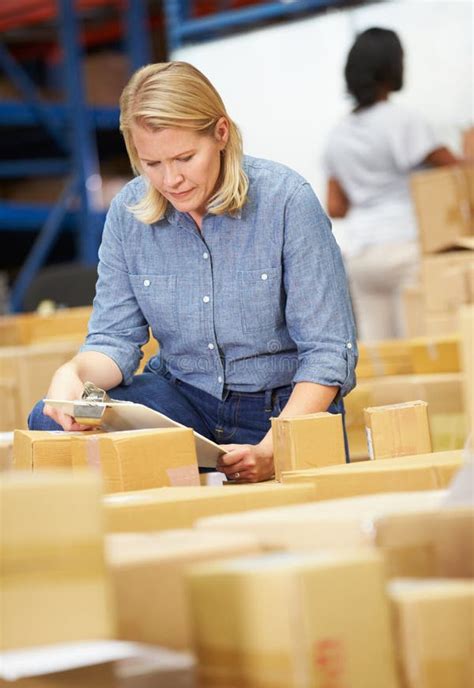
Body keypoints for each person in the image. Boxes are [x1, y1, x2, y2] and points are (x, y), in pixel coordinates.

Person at [29, 61, 357, 483]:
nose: (172, 179)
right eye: (152, 163)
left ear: (221, 133)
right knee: (50, 419)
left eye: (185, 157)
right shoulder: (128, 216)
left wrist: (278, 444)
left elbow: (328, 353)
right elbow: (114, 340)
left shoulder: (286, 201)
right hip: (185, 401)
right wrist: (71, 374)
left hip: (283, 407)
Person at [324, 27, 459, 341]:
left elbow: (336, 207)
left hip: (361, 257)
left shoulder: (338, 134)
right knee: (424, 350)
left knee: (382, 359)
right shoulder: (403, 120)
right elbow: (455, 171)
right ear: (392, 67)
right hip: (405, 246)